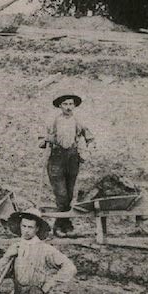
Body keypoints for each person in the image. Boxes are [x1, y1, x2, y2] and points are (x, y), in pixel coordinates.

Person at [40, 94, 94, 237]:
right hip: (56, 160)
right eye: (65, 104)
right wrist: (47, 139)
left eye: (71, 104)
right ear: (60, 106)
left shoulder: (78, 121)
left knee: (69, 195)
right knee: (61, 195)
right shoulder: (53, 121)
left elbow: (89, 137)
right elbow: (41, 141)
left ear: (74, 106)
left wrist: (84, 150)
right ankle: (60, 225)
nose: (69, 107)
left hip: (72, 159)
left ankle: (65, 224)